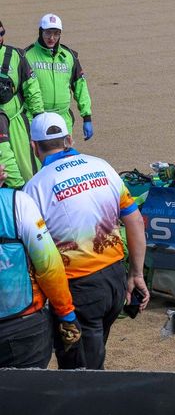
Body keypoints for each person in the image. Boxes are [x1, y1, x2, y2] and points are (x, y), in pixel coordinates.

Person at [23, 112, 149, 369]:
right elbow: (135, 221)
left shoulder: (34, 188)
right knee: (94, 353)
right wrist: (136, 274)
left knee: (81, 373)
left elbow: (32, 250)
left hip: (77, 289)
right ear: (68, 139)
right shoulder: (102, 166)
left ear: (33, 146)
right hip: (114, 280)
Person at [0, 163, 79, 368]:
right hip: (22, 328)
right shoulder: (18, 203)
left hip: (21, 328)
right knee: (26, 397)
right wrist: (66, 313)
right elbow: (49, 265)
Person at [24, 14, 94, 141]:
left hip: (63, 119)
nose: (52, 38)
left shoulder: (69, 56)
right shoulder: (26, 56)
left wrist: (87, 117)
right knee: (37, 159)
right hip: (35, 119)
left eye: (56, 33)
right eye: (48, 33)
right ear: (41, 32)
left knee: (63, 159)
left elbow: (80, 87)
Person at [0, 18, 45, 182]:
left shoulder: (16, 55)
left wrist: (39, 116)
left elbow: (31, 87)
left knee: (27, 168)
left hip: (16, 123)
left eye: (1, 33)